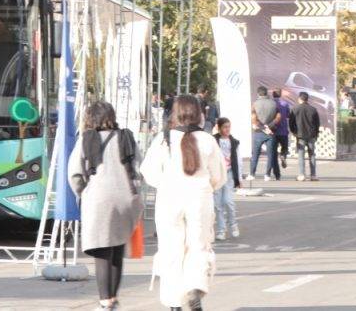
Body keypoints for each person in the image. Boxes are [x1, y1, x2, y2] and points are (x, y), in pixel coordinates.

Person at [141, 94, 226, 311]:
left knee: (171, 249)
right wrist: (206, 186)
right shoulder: (207, 140)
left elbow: (149, 172)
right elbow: (218, 176)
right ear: (199, 114)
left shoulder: (163, 139)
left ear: (175, 114)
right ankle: (195, 287)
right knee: (199, 245)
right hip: (199, 197)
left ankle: (173, 302)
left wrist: (165, 184)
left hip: (169, 197)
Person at [69, 101, 143, 310]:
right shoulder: (126, 137)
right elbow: (138, 167)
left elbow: (75, 174)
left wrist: (84, 193)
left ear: (90, 118)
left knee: (102, 252)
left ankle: (105, 302)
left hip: (98, 199)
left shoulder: (86, 139)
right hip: (126, 199)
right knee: (117, 248)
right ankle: (113, 299)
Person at [212, 117, 240, 240]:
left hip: (229, 173)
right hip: (217, 173)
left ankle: (233, 224)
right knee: (217, 204)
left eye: (229, 127)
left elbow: (238, 161)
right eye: (224, 127)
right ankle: (221, 230)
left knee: (228, 201)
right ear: (219, 128)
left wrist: (239, 178)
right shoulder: (213, 140)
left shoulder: (234, 142)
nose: (227, 129)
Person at [248, 86, 280, 181]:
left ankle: (252, 174)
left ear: (258, 93)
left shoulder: (255, 104)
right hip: (271, 132)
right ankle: (267, 175)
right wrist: (269, 126)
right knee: (270, 155)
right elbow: (278, 117)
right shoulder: (274, 103)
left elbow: (253, 118)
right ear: (267, 93)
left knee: (255, 154)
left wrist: (263, 127)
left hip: (258, 132)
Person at [289, 91, 320, 181]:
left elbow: (291, 123)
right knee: (312, 155)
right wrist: (316, 134)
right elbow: (317, 124)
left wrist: (294, 132)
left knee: (301, 155)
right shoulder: (313, 109)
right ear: (307, 99)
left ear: (299, 99)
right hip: (311, 135)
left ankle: (302, 175)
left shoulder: (295, 109)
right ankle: (313, 175)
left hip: (300, 135)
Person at [269, 89, 291, 178]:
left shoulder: (270, 104)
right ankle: (283, 155)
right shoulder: (285, 104)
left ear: (273, 95)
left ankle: (277, 174)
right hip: (283, 130)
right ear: (280, 94)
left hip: (272, 131)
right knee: (284, 148)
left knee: (273, 153)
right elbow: (288, 115)